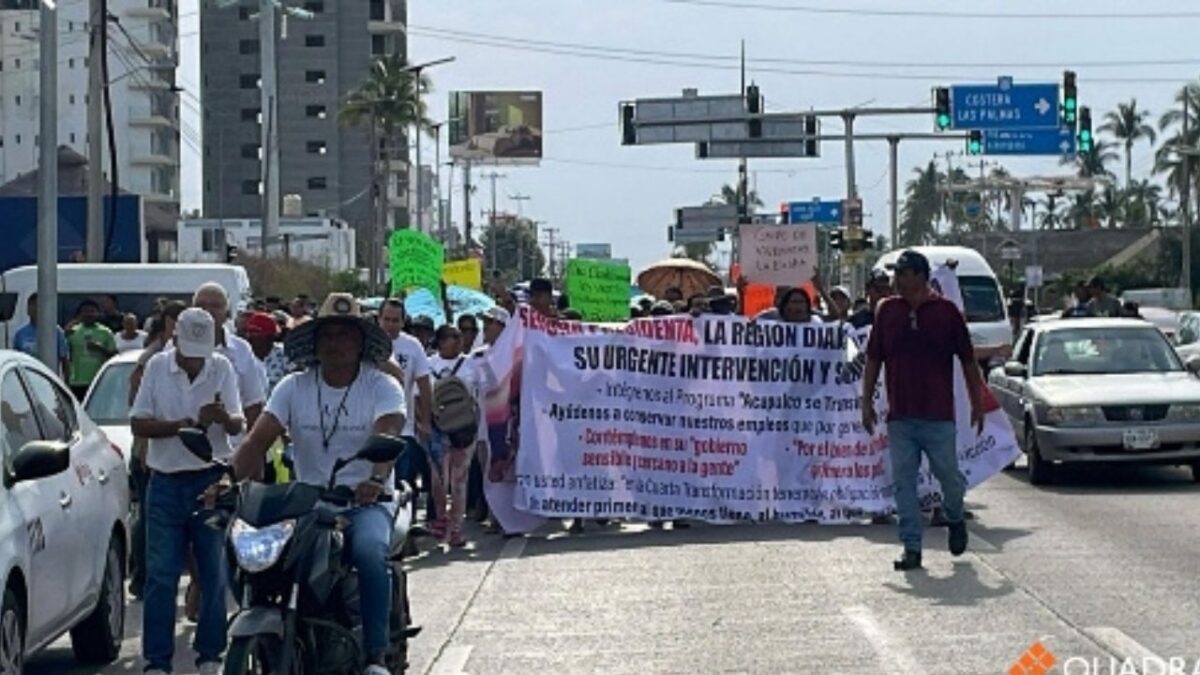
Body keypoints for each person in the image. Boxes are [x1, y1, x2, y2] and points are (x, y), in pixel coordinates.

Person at [233, 293, 404, 675]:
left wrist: (375, 480)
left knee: (369, 554)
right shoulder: (292, 387)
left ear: (361, 342)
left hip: (365, 502)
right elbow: (257, 440)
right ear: (314, 341)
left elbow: (389, 432)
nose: (335, 343)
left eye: (345, 334)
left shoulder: (381, 387)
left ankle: (376, 654)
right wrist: (228, 481)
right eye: (327, 334)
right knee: (262, 557)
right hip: (306, 504)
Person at [130, 308, 244, 675]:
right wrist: (187, 424)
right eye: (188, 349)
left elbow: (239, 422)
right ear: (175, 339)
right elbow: (139, 422)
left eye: (201, 352)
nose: (194, 359)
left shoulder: (221, 368)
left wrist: (223, 418)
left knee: (214, 572)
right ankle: (157, 661)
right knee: (161, 576)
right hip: (165, 481)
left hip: (209, 479)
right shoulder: (157, 368)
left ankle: (210, 654)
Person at [861, 250, 984, 572]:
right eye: (895, 275)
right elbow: (874, 358)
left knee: (949, 479)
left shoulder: (946, 312)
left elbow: (968, 361)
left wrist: (978, 401)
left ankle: (955, 518)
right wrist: (865, 402)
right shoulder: (887, 311)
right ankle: (911, 547)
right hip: (901, 415)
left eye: (902, 274)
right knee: (904, 482)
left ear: (919, 275)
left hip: (938, 415)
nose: (897, 281)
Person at [128, 301, 189, 601]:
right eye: (175, 319)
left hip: (189, 460)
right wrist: (177, 424)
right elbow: (137, 408)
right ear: (166, 322)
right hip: (151, 454)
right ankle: (141, 577)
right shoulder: (153, 357)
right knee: (150, 522)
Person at [377, 298, 437, 526]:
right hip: (371, 427)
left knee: (403, 482)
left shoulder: (412, 346)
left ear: (403, 322)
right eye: (386, 319)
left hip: (405, 428)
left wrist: (426, 421)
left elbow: (424, 385)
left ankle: (405, 529)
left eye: (396, 320)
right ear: (378, 319)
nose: (390, 325)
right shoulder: (366, 343)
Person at [427, 324, 481, 547]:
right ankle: (441, 519)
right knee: (438, 480)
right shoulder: (428, 365)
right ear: (440, 341)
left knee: (459, 480)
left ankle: (457, 528)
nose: (459, 341)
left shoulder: (472, 364)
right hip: (436, 430)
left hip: (463, 429)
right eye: (453, 337)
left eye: (460, 336)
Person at [192, 282, 267, 429]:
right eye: (201, 305)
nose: (207, 311)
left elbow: (253, 404)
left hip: (230, 446)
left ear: (227, 313)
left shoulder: (242, 350)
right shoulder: (173, 348)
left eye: (215, 306)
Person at [66, 298, 118, 400]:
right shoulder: (73, 332)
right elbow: (66, 356)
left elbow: (115, 356)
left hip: (98, 380)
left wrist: (100, 348)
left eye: (92, 311)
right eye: (85, 311)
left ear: (98, 313)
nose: (89, 314)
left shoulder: (106, 332)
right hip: (77, 381)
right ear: (80, 314)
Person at [12, 293, 70, 378]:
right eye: (31, 307)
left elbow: (64, 359)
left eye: (38, 306)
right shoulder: (20, 334)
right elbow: (16, 360)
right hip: (28, 379)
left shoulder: (56, 332)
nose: (35, 310)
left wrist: (66, 383)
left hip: (50, 379)